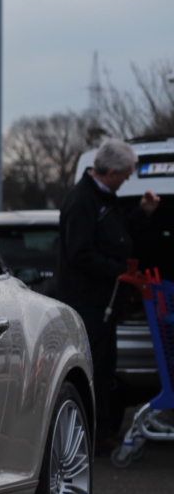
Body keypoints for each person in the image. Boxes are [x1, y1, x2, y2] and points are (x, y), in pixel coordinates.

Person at [56, 138, 160, 452]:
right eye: (126, 175)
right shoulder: (82, 201)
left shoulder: (105, 197)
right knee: (94, 370)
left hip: (107, 304)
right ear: (112, 173)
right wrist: (118, 272)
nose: (127, 180)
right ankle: (93, 439)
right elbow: (79, 252)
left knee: (105, 371)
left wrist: (142, 214)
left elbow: (117, 234)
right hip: (89, 305)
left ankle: (101, 434)